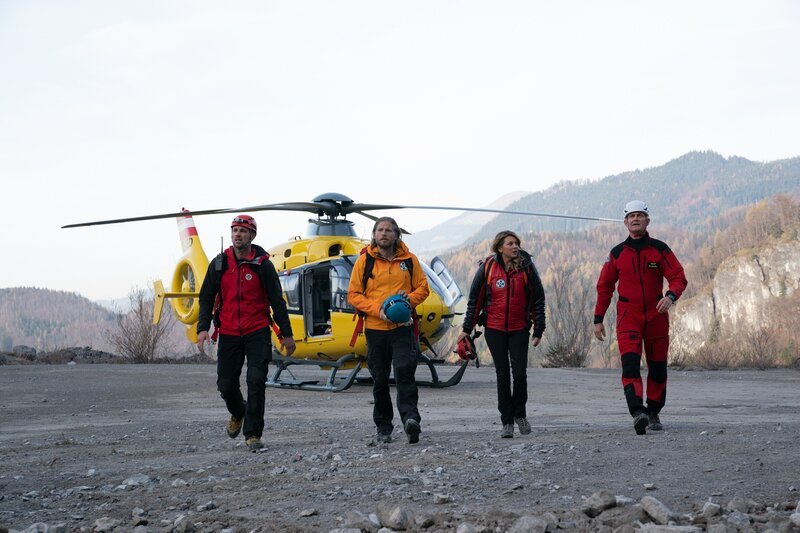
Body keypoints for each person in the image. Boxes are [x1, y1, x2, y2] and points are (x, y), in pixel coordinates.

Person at [196, 215, 296, 451]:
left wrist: (287, 334)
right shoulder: (219, 264)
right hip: (229, 332)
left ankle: (253, 434)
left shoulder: (263, 265)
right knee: (226, 385)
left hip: (257, 331)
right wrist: (202, 328)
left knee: (256, 381)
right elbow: (206, 298)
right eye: (234, 230)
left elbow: (277, 302)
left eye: (242, 231)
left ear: (252, 236)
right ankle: (238, 412)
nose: (237, 234)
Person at [594, 201, 687, 435]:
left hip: (657, 314)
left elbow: (678, 276)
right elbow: (604, 287)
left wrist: (671, 296)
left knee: (657, 368)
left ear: (648, 220)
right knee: (630, 365)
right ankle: (638, 413)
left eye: (640, 215)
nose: (636, 219)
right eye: (631, 216)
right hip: (629, 316)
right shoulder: (616, 254)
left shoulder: (660, 249)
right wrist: (598, 318)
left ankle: (654, 411)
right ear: (625, 222)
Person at [348, 217, 430, 444]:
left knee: (404, 371)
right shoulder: (364, 262)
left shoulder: (410, 261)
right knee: (380, 379)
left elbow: (423, 288)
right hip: (375, 329)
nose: (384, 234)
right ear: (374, 235)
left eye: (389, 230)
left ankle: (411, 420)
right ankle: (383, 427)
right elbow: (353, 295)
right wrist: (378, 310)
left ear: (396, 235)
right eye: (380, 230)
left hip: (403, 328)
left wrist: (410, 300)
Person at [458, 230, 546, 438]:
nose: (515, 247)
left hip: (519, 329)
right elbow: (474, 301)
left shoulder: (526, 267)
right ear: (499, 247)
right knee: (503, 374)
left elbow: (538, 299)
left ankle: (520, 414)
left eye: (516, 243)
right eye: (510, 243)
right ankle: (506, 421)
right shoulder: (487, 268)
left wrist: (538, 329)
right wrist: (466, 330)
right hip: (494, 329)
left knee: (520, 373)